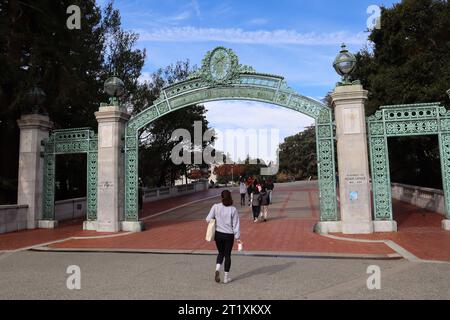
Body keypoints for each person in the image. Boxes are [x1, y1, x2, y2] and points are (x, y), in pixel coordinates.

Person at [206, 190, 241, 284]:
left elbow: (208, 219)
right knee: (227, 255)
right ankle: (226, 277)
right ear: (230, 197)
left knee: (220, 253)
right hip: (229, 235)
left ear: (221, 197)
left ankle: (217, 269)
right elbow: (236, 224)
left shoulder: (215, 207)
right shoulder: (233, 209)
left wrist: (216, 219)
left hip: (218, 234)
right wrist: (238, 237)